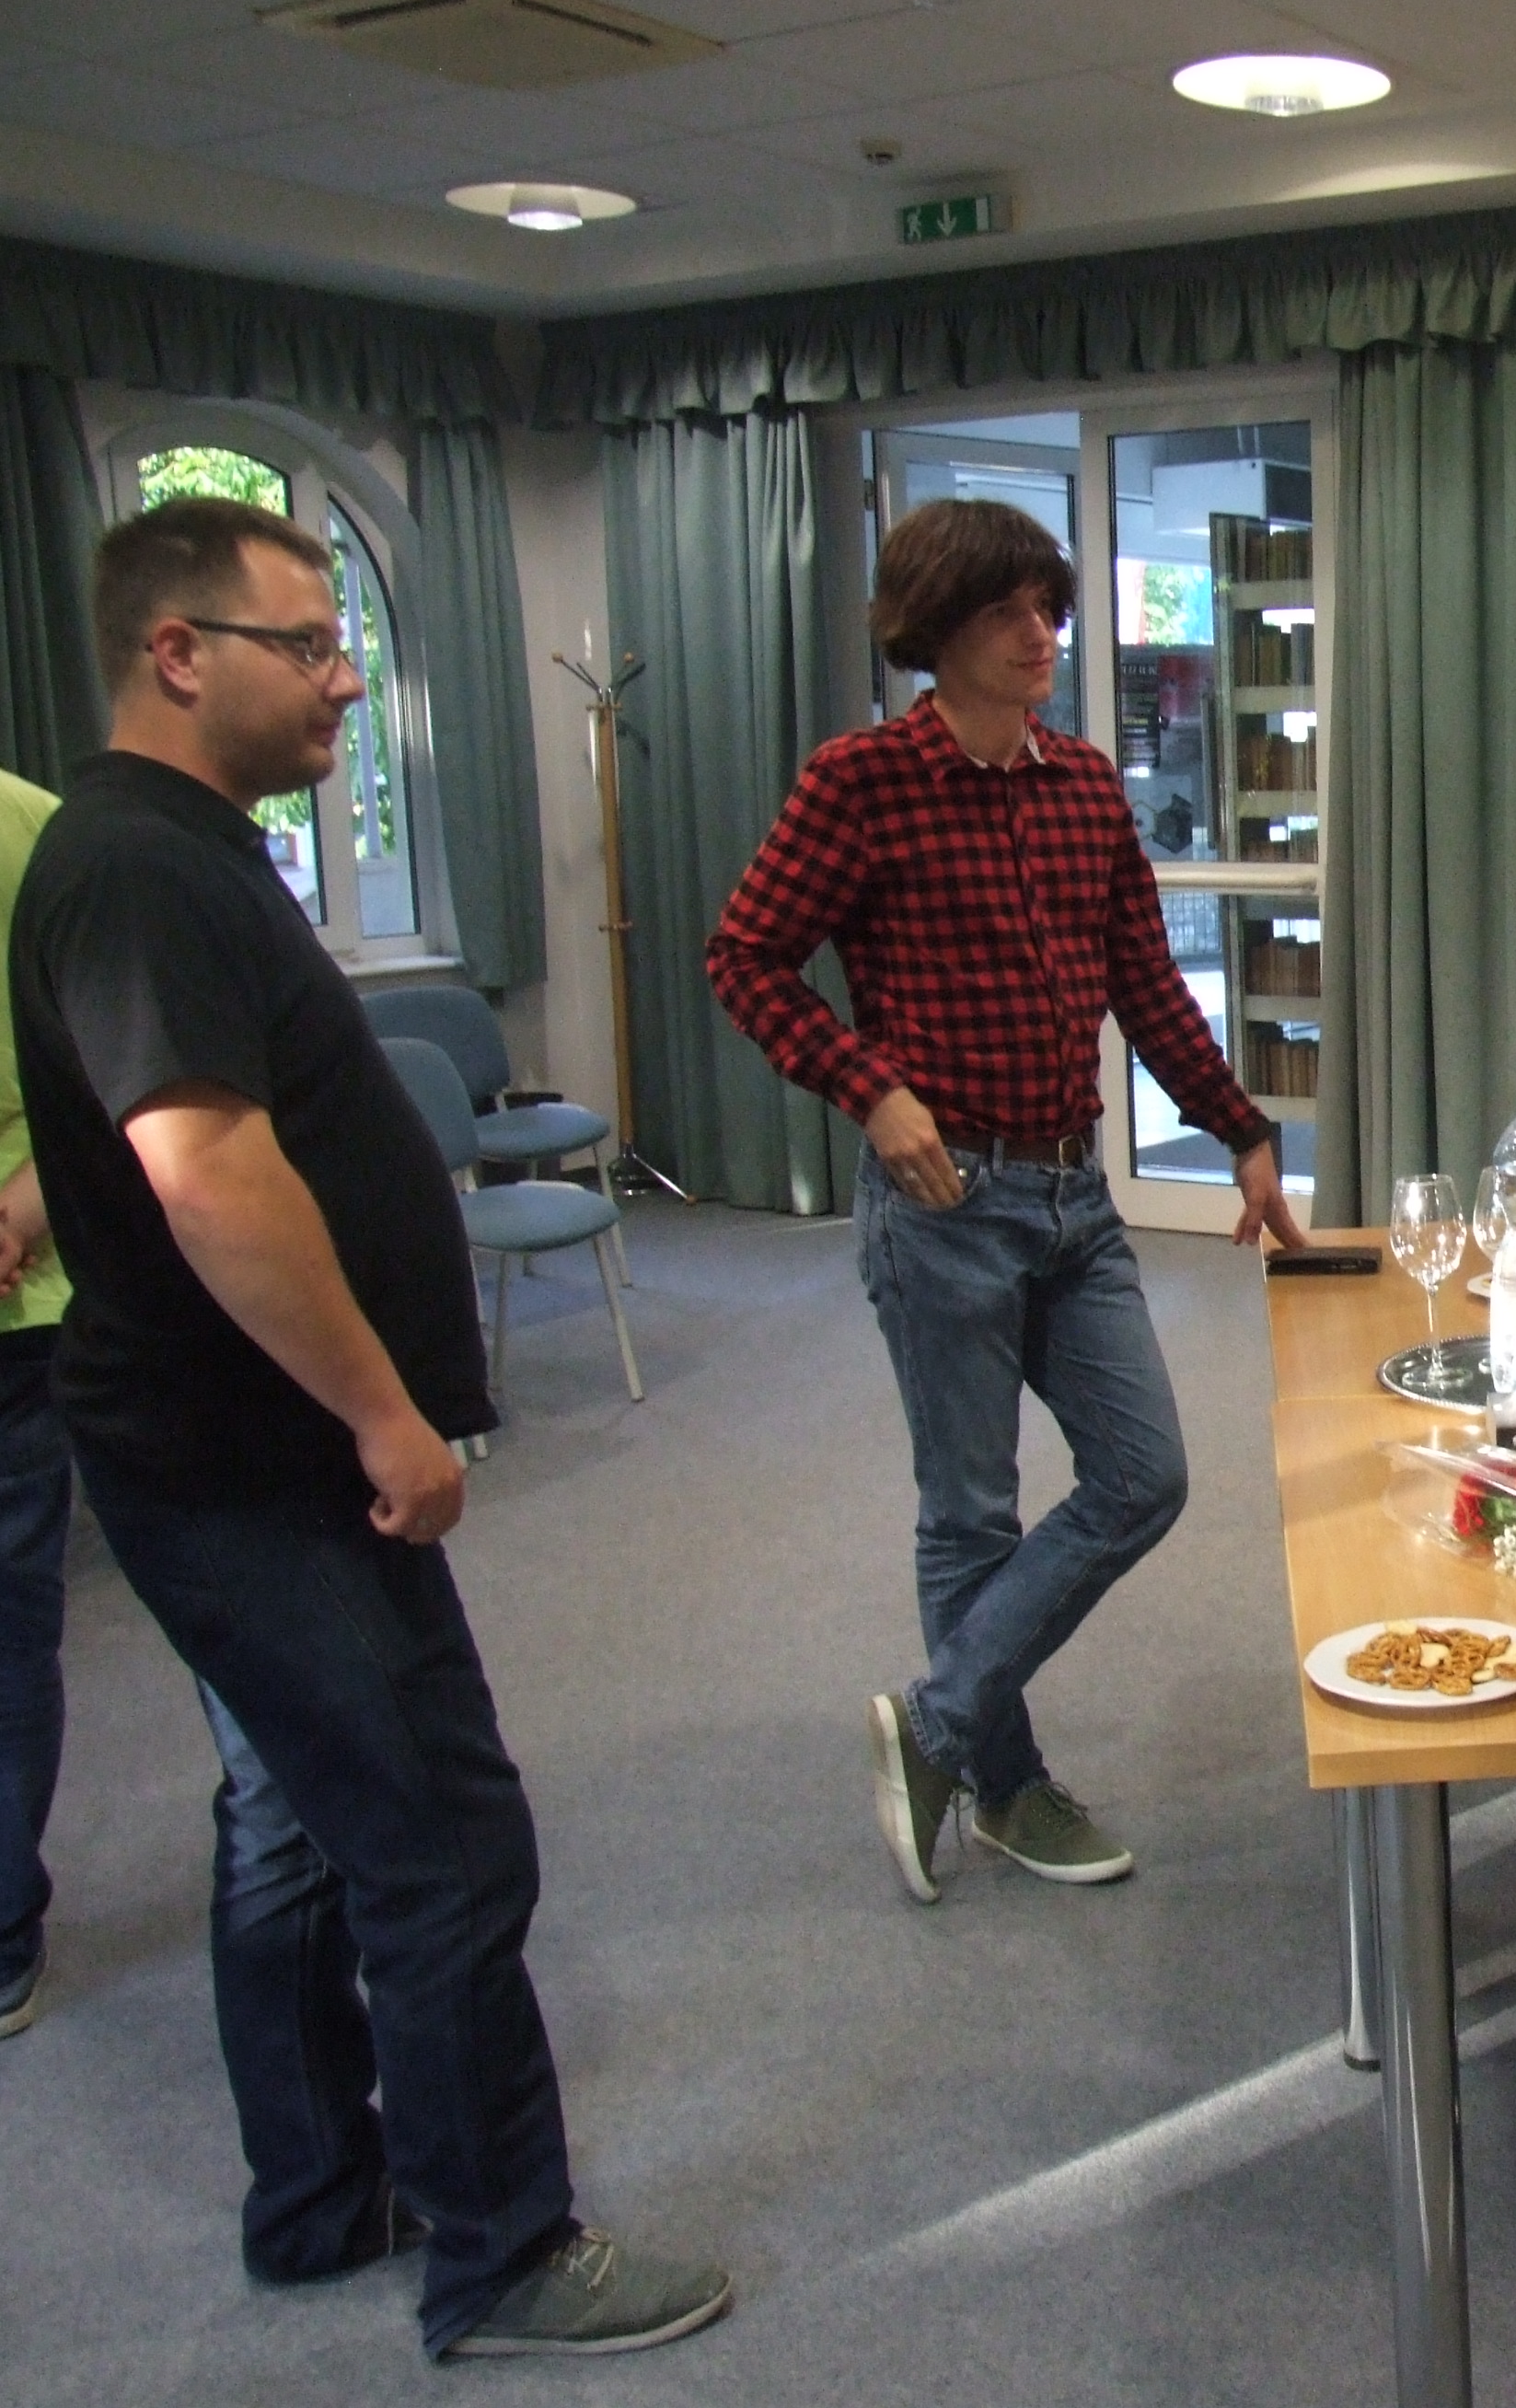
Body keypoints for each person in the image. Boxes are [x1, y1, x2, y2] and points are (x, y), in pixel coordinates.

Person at [11, 497, 731, 2357]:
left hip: (227, 1456)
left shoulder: (170, 851)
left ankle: (323, 2199)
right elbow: (209, 1175)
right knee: (442, 1842)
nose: (346, 681)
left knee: (296, 1831)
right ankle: (504, 2250)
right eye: (308, 644)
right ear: (180, 654)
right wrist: (386, 1414)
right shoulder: (137, 867)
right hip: (259, 1470)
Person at [708, 497, 1303, 1905]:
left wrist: (1241, 1128)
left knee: (1145, 1475)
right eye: (1007, 612)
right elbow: (745, 959)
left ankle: (936, 1720)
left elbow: (1145, 983)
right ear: (938, 631)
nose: (1043, 635)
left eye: (1050, 608)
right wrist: (869, 1088)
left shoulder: (1084, 784)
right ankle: (1005, 1786)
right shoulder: (862, 782)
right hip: (943, 1201)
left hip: (1071, 1194)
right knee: (971, 1513)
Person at [0, 768, 72, 2043]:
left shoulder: (38, 832)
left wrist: (20, 1206)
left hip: (20, 1304)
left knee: (6, 1633)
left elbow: (107, 1064)